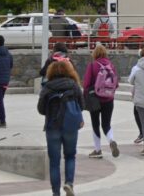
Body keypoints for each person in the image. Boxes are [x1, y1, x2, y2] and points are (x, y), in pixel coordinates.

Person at [37, 58, 86, 196]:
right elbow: (82, 105)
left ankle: (55, 192)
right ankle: (69, 183)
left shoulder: (47, 87)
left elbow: (40, 109)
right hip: (70, 125)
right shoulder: (73, 85)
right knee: (70, 156)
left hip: (53, 125)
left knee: (54, 161)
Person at [82, 44, 119, 159]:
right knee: (106, 124)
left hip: (95, 99)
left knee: (95, 124)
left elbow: (86, 84)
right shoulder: (111, 65)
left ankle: (98, 150)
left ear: (95, 54)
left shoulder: (92, 65)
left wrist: (85, 97)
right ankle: (111, 140)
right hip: (109, 99)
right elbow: (116, 83)